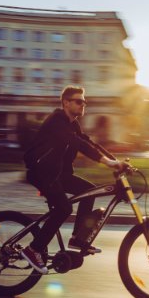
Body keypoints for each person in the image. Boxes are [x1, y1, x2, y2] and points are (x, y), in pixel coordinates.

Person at [21, 86, 123, 274]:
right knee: (63, 208)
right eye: (79, 101)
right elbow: (77, 144)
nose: (83, 104)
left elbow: (89, 142)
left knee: (89, 191)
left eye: (84, 101)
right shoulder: (57, 121)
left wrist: (114, 160)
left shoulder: (73, 124)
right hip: (42, 172)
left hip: (59, 174)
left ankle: (78, 238)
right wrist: (108, 163)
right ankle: (33, 249)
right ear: (66, 103)